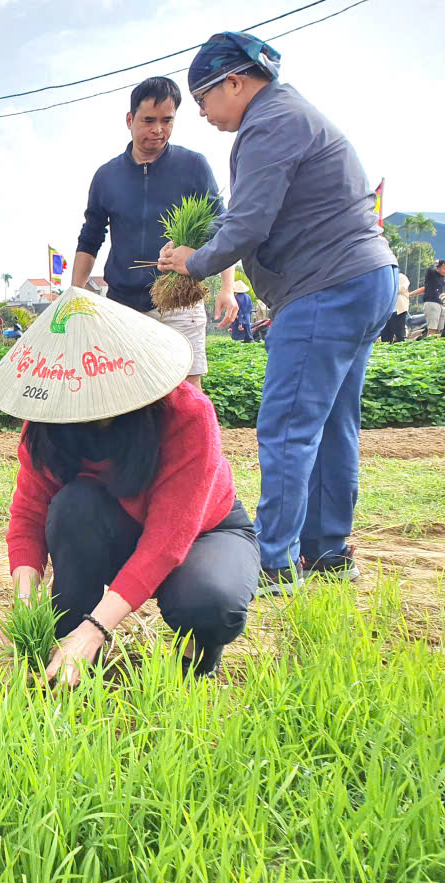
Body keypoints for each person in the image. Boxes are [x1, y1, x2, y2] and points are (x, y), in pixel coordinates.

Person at [159, 31, 396, 590]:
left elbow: (248, 224)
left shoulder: (269, 123)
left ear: (235, 83)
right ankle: (327, 551)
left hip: (326, 287)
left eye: (203, 100)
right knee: (332, 423)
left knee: (288, 425)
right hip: (364, 279)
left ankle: (274, 561)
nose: (203, 114)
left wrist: (194, 262)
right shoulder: (289, 114)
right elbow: (252, 213)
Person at [0, 288, 259, 686]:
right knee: (72, 507)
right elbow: (30, 514)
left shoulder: (186, 413)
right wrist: (26, 601)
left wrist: (95, 628)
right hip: (115, 524)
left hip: (205, 532)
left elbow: (167, 539)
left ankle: (196, 655)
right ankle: (71, 658)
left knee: (209, 601)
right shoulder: (47, 422)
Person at [73, 76, 237, 388]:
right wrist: (75, 291)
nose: (158, 130)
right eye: (148, 120)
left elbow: (224, 227)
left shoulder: (193, 166)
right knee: (125, 394)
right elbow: (90, 237)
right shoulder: (106, 176)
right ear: (129, 120)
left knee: (186, 395)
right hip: (123, 306)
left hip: (181, 300)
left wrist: (227, 288)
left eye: (167, 120)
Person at [410, 260, 445, 337]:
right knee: (432, 329)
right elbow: (425, 288)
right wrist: (436, 263)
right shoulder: (431, 273)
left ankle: (436, 343)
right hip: (432, 303)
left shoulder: (442, 279)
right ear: (438, 267)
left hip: (440, 304)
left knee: (440, 330)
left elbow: (424, 289)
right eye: (444, 268)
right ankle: (430, 341)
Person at [381, 269, 411, 343]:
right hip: (386, 312)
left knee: (400, 334)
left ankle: (401, 349)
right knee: (385, 335)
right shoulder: (384, 278)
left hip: (398, 310)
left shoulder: (401, 276)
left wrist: (387, 288)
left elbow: (401, 288)